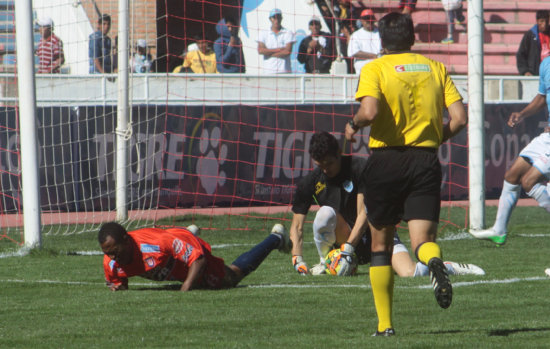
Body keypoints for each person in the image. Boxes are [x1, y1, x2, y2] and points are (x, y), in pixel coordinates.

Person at [345, 12, 468, 336]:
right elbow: (459, 118)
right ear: (413, 37)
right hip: (425, 160)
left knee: (381, 246)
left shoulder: (376, 68)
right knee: (422, 241)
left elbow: (369, 111)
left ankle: (385, 326)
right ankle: (435, 263)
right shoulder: (435, 68)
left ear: (382, 41)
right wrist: (432, 137)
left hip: (386, 161)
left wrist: (353, 123)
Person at [291, 132, 484, 277]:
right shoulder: (310, 182)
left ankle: (448, 267)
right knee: (324, 214)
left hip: (378, 230)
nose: (325, 169)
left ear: (339, 154)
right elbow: (297, 226)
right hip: (344, 237)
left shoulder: (359, 168)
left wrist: (348, 249)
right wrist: (297, 259)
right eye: (320, 165)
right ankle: (327, 262)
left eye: (329, 163)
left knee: (410, 273)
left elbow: (364, 212)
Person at [470, 56, 550, 245]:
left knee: (529, 182)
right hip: (547, 136)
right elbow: (541, 97)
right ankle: (499, 230)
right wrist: (522, 114)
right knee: (512, 175)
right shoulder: (546, 64)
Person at [98, 222, 290, 291]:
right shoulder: (111, 263)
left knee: (231, 278)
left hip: (189, 253)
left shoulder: (156, 244)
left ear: (126, 240)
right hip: (176, 250)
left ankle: (275, 238)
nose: (113, 257)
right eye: (108, 253)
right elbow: (119, 284)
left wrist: (186, 288)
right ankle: (187, 238)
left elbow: (199, 260)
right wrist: (119, 288)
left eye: (114, 251)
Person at [257, 8, 295, 74]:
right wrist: (278, 50)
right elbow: (260, 50)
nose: (276, 20)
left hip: (284, 72)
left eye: (278, 17)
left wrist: (269, 53)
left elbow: (287, 52)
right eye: (274, 17)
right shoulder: (263, 33)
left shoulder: (288, 32)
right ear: (270, 19)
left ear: (281, 18)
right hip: (268, 72)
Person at [347, 9, 381, 75]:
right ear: (362, 20)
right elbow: (353, 52)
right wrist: (375, 56)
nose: (369, 21)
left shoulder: (380, 33)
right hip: (363, 71)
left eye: (370, 18)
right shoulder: (356, 35)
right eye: (366, 18)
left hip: (379, 68)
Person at [516, 10, 550, 76]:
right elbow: (521, 54)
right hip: (534, 75)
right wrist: (525, 71)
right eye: (542, 21)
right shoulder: (530, 35)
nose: (544, 24)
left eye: (547, 21)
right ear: (537, 21)